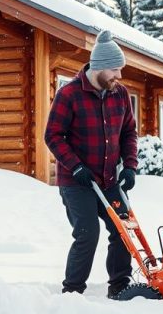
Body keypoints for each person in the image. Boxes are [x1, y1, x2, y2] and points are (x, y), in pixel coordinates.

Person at [45, 29, 139, 297]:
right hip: (77, 181)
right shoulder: (69, 94)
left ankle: (120, 287)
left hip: (109, 178)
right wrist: (75, 166)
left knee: (123, 229)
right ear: (98, 67)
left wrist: (130, 166)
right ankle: (72, 291)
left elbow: (128, 132)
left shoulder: (119, 94)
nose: (119, 76)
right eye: (115, 70)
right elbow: (52, 135)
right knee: (87, 233)